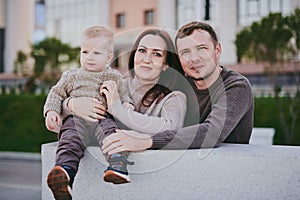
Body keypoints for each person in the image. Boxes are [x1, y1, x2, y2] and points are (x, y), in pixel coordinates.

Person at [59, 28, 189, 198]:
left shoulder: (175, 97)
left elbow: (172, 128)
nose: (146, 59)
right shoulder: (114, 83)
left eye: (156, 54)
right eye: (142, 51)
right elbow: (71, 126)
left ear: (166, 64)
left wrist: (117, 108)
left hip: (151, 188)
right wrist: (70, 104)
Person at [99, 21, 254, 154]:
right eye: (185, 52)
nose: (194, 59)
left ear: (217, 50)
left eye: (201, 49)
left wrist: (147, 141)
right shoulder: (180, 85)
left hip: (225, 171)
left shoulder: (236, 86)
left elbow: (212, 133)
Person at [44, 25, 135, 200]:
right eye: (85, 52)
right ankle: (64, 174)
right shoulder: (71, 76)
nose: (89, 58)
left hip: (103, 119)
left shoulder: (114, 76)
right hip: (77, 120)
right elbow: (56, 93)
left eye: (96, 53)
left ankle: (117, 164)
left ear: (109, 57)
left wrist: (128, 105)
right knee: (69, 139)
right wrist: (50, 112)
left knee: (112, 133)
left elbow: (123, 95)